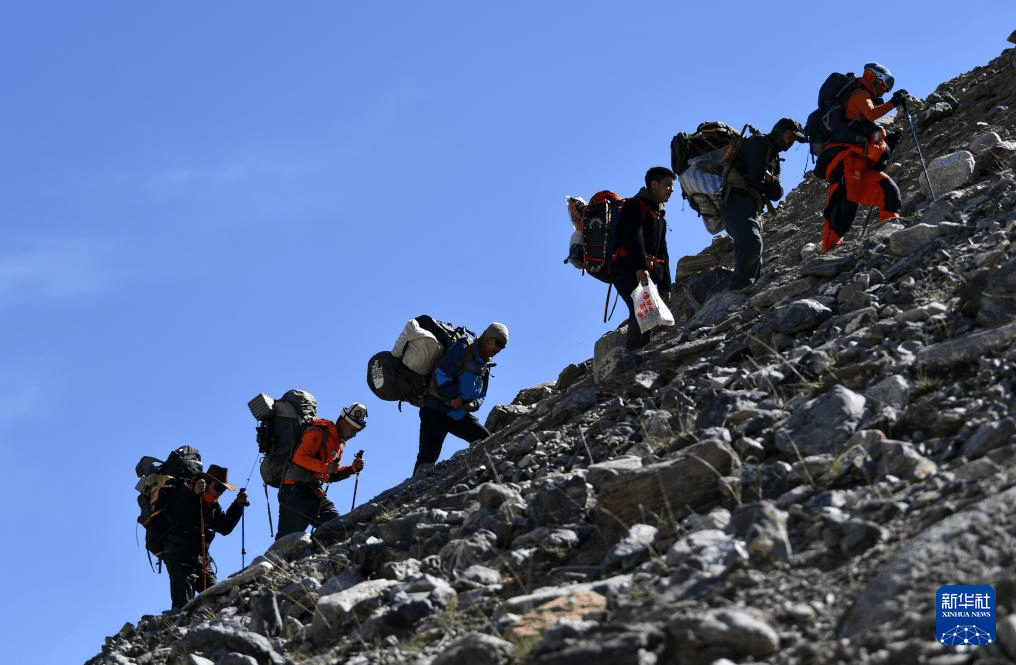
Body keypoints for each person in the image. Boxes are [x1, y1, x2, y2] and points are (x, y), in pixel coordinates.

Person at [820, 62, 909, 251]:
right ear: (871, 77)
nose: (885, 89)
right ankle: (829, 249)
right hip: (846, 160)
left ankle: (892, 233)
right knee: (845, 204)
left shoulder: (864, 97)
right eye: (885, 83)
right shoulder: (860, 95)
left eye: (889, 86)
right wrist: (894, 102)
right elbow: (871, 114)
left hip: (861, 164)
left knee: (888, 190)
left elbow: (868, 127)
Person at [720, 118, 807, 290]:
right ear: (780, 131)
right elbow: (755, 178)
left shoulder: (774, 158)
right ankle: (738, 292)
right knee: (752, 243)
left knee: (754, 249)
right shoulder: (760, 143)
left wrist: (769, 179)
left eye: (794, 140)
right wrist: (768, 181)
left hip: (749, 206)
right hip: (737, 200)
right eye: (790, 136)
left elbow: (777, 193)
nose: (791, 142)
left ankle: (747, 292)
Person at [414, 322, 508, 478]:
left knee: (485, 440)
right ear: (487, 339)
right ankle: (411, 495)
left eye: (502, 347)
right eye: (497, 344)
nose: (498, 349)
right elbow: (441, 373)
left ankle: (488, 476)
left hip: (458, 414)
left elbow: (482, 393)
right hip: (435, 410)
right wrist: (454, 397)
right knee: (426, 460)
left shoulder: (485, 362)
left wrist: (474, 404)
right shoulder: (463, 347)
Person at [275, 402, 367, 539]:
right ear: (344, 421)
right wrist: (325, 467)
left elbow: (328, 476)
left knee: (339, 528)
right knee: (286, 541)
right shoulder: (319, 431)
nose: (354, 435)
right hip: (294, 491)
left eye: (357, 431)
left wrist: (351, 470)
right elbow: (299, 458)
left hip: (314, 493)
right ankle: (273, 561)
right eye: (353, 430)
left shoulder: (338, 443)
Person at [162, 464, 248, 609]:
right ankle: (180, 629)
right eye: (218, 488)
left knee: (219, 598)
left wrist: (237, 505)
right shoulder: (184, 493)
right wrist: (193, 495)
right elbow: (176, 515)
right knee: (183, 607)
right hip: (179, 556)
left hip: (201, 559)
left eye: (223, 490)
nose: (220, 493)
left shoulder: (212, 505)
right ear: (207, 483)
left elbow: (224, 527)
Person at [611, 166, 676, 349]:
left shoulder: (659, 217)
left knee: (647, 311)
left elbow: (662, 251)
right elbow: (633, 237)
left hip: (642, 271)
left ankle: (640, 353)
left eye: (672, 187)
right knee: (640, 308)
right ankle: (632, 356)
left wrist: (665, 284)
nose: (671, 190)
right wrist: (640, 267)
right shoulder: (635, 205)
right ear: (653, 184)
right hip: (626, 267)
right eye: (667, 185)